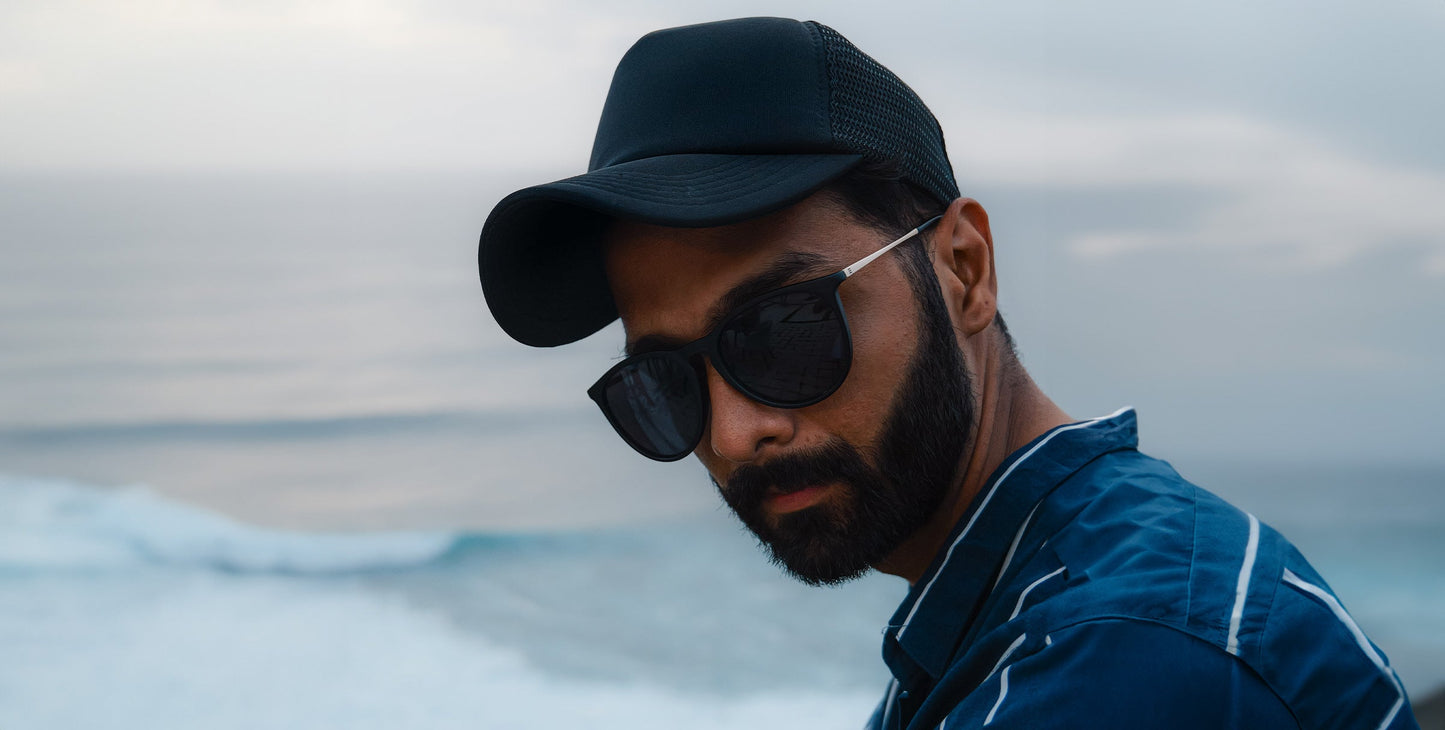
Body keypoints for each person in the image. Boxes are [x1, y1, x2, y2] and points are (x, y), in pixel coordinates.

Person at [476, 17, 1419, 729]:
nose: (732, 434)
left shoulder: (1121, 658)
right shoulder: (1033, 597)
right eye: (665, 385)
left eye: (783, 330)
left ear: (962, 268)